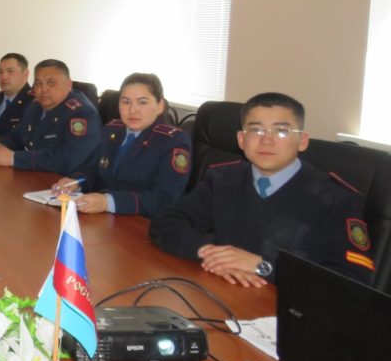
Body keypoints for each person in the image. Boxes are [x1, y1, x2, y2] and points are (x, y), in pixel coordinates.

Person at [150, 92, 375, 287]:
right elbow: (167, 222)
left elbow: (352, 280)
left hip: (290, 308)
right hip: (225, 292)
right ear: (241, 139)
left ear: (302, 141)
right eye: (256, 130)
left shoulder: (335, 200)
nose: (267, 141)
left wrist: (264, 266)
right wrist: (209, 253)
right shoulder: (223, 180)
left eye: (281, 131)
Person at [54, 73, 190, 218]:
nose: (132, 110)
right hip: (103, 217)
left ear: (160, 106)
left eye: (142, 102)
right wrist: (76, 182)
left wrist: (108, 202)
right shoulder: (111, 130)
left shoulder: (173, 141)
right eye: (125, 102)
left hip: (143, 223)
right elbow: (93, 171)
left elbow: (165, 199)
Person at [0, 59, 101, 173]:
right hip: (37, 175)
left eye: (51, 83)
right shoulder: (35, 105)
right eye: (38, 83)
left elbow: (66, 159)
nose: (43, 89)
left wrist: (13, 158)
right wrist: (0, 145)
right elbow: (17, 135)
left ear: (68, 85)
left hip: (68, 181)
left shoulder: (82, 114)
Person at [0, 52, 34, 140]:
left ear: (25, 74)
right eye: (0, 72)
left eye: (10, 71)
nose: (4, 77)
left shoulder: (34, 101)